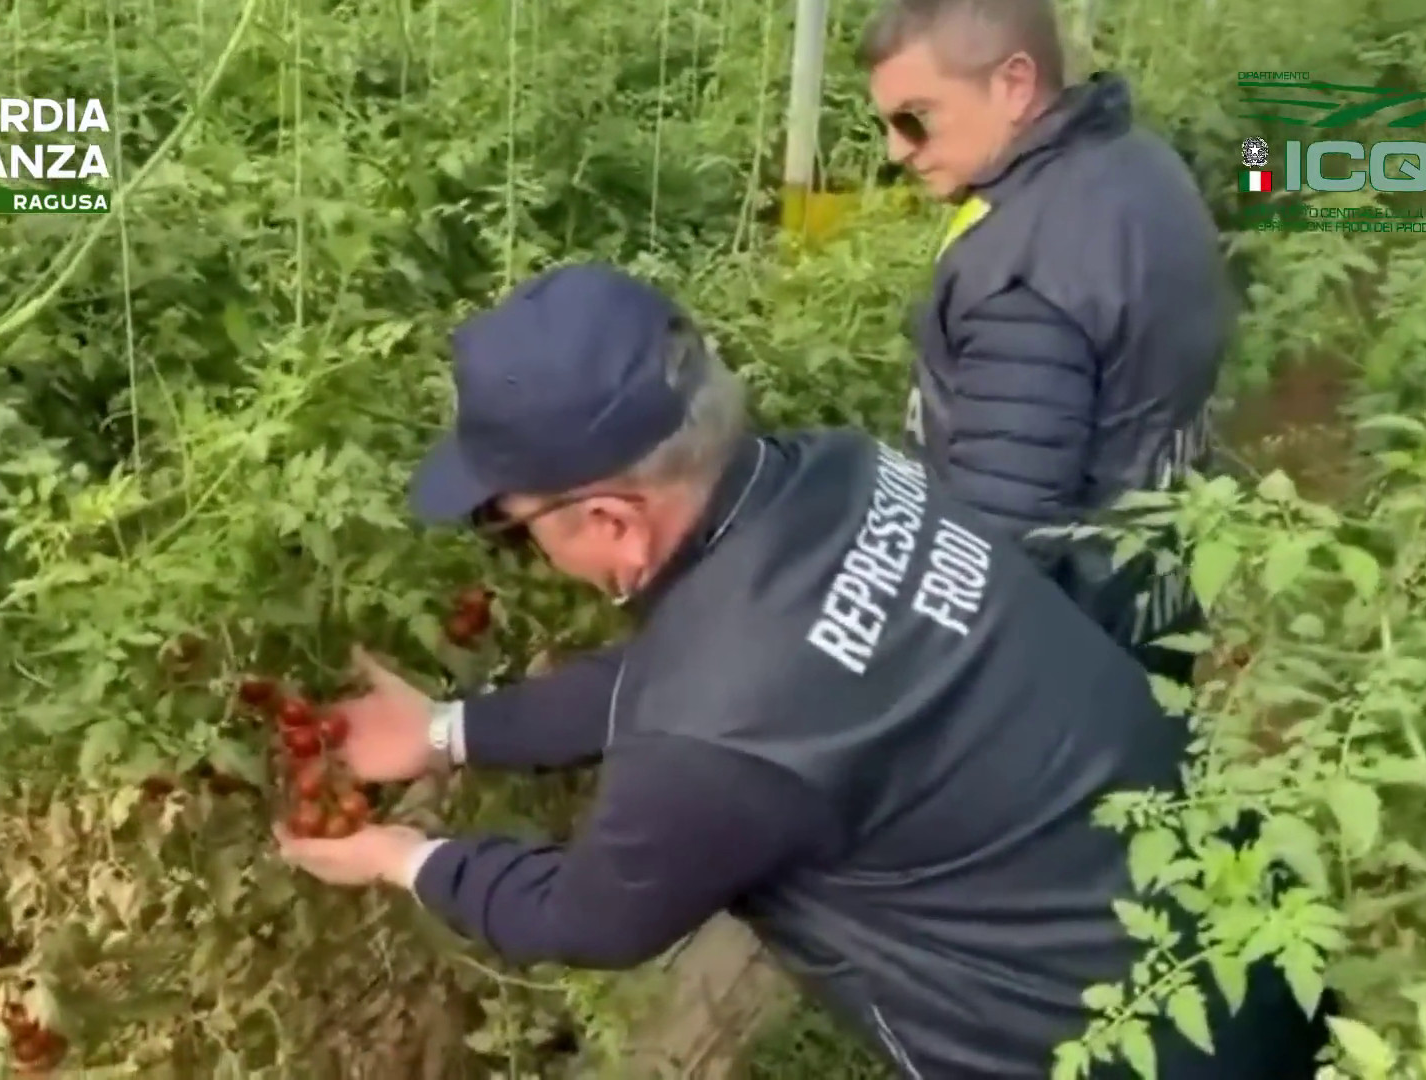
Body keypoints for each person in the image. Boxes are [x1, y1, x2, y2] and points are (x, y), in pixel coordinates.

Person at [275, 264, 1328, 1078]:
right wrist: (452, 731)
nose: (518, 551)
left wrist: (404, 857)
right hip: (1250, 936)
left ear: (607, 519)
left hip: (1110, 1047)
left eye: (509, 531)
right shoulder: (843, 476)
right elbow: (692, 685)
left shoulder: (722, 720)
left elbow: (594, 916)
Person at [863, 0, 1231, 687]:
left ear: (1013, 84)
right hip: (1154, 613)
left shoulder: (1025, 277)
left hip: (1063, 667)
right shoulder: (1142, 165)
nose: (897, 148)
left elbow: (997, 548)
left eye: (916, 115)